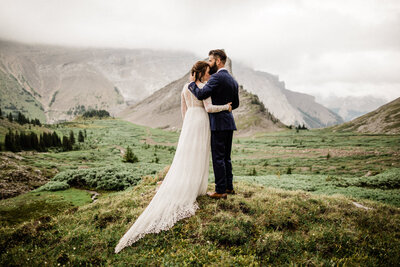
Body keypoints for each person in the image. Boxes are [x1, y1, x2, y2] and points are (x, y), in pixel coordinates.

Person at [114, 61, 232, 253]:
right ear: (202, 73)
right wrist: (225, 107)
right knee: (199, 156)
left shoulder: (186, 87)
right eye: (208, 73)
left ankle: (187, 185)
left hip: (190, 124)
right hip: (201, 121)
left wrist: (187, 127)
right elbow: (209, 109)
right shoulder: (204, 88)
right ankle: (196, 188)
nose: (210, 76)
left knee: (186, 157)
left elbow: (183, 110)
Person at [188, 49, 239, 199]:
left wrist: (192, 84)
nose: (209, 63)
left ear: (218, 61)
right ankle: (229, 187)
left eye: (210, 60)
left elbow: (201, 94)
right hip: (229, 122)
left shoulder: (216, 78)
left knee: (218, 157)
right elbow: (235, 104)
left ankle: (220, 190)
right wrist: (226, 107)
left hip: (218, 123)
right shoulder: (233, 80)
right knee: (226, 158)